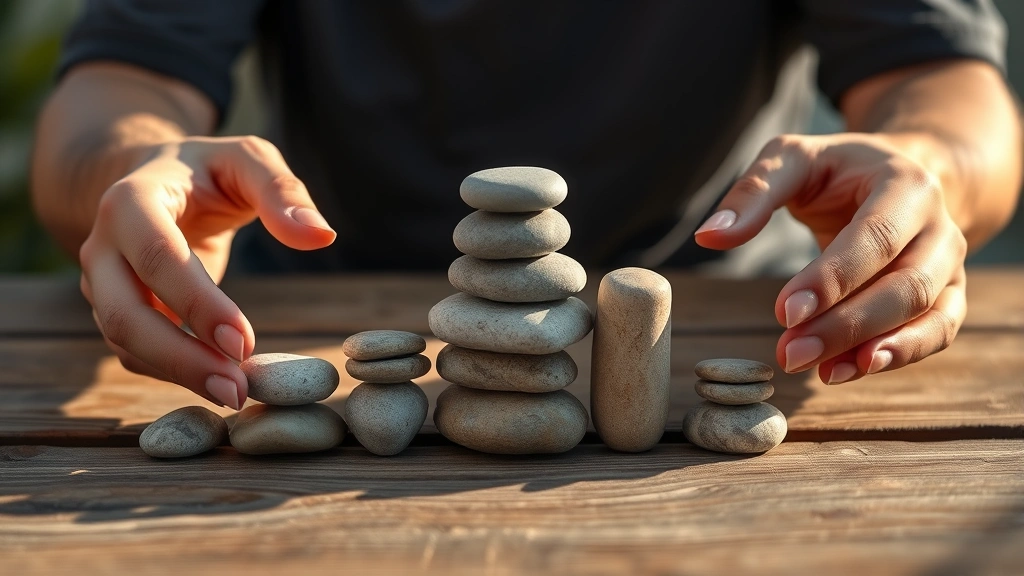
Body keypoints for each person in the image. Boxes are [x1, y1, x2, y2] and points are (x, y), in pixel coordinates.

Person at [32, 1, 1022, 410]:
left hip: (739, 317)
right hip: (321, 332)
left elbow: (947, 87)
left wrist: (923, 164)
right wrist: (137, 166)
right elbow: (116, 94)